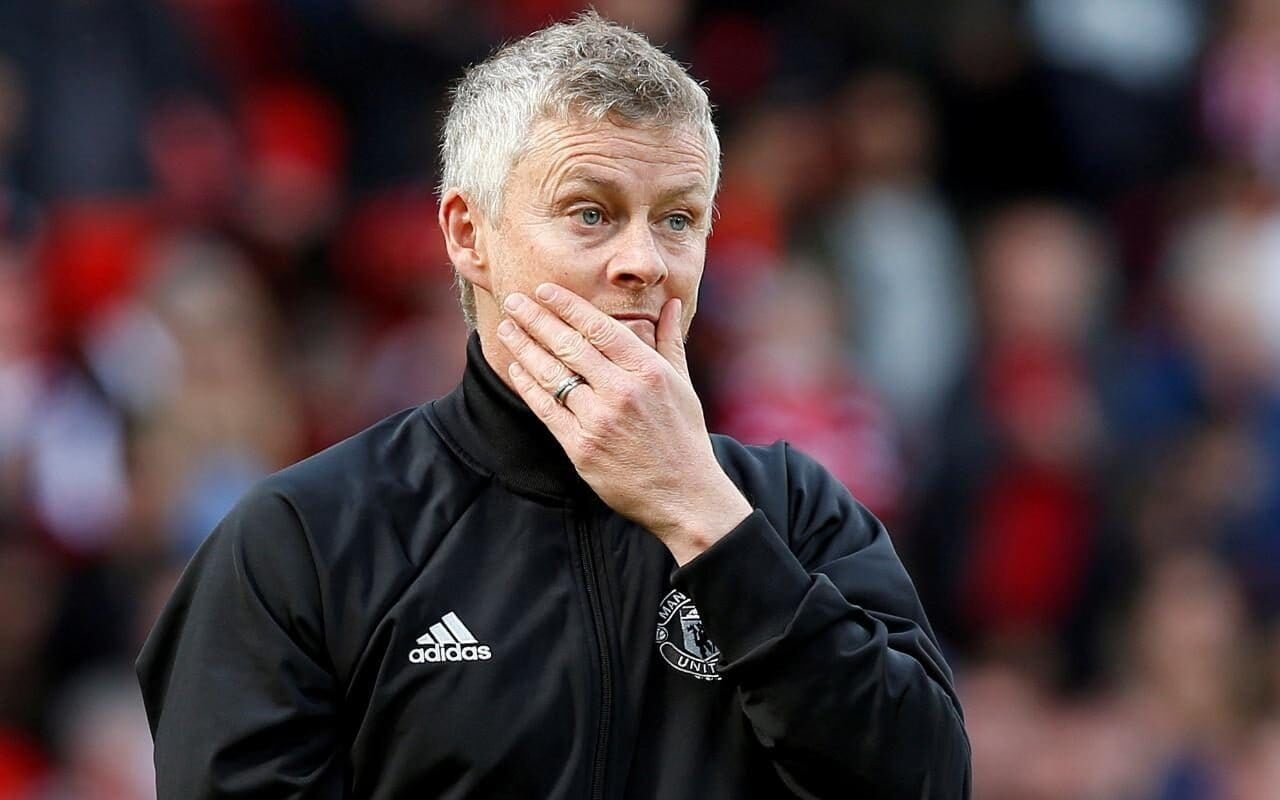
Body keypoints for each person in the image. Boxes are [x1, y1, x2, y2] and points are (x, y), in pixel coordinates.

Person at [136, 12, 971, 798]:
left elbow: (925, 780)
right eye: (591, 213)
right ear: (468, 235)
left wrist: (704, 518)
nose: (645, 261)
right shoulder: (303, 540)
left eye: (678, 219)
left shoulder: (794, 512)